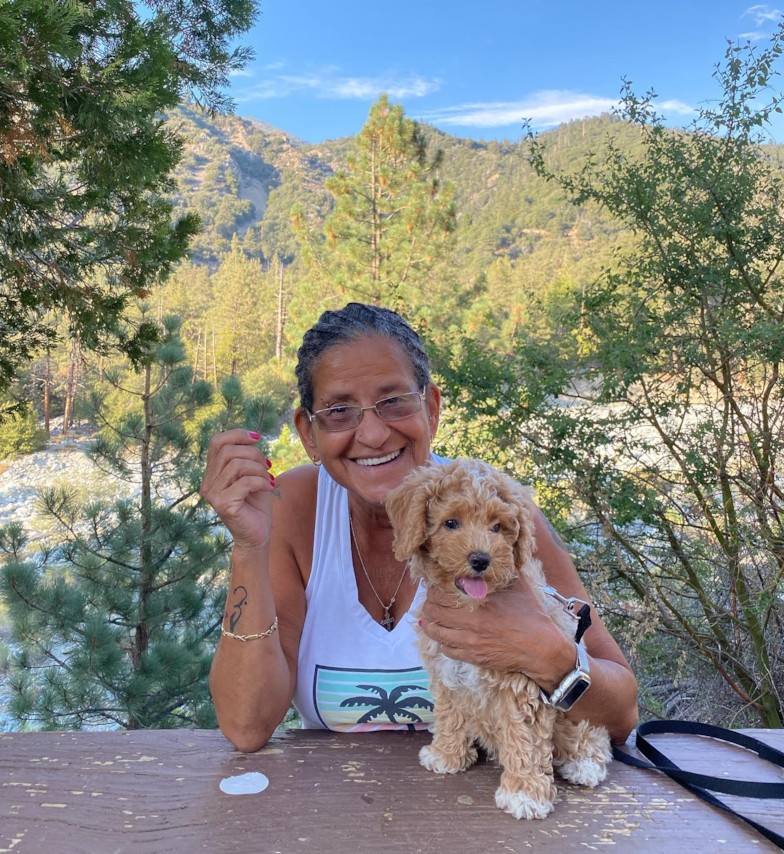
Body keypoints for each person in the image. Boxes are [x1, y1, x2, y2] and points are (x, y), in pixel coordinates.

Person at [202, 303, 638, 752]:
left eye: (393, 402)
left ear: (430, 408)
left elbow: (622, 715)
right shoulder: (292, 509)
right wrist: (249, 545)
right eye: (338, 410)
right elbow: (247, 726)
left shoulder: (497, 511)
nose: (371, 434)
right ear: (308, 433)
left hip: (491, 804)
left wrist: (550, 656)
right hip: (337, 807)